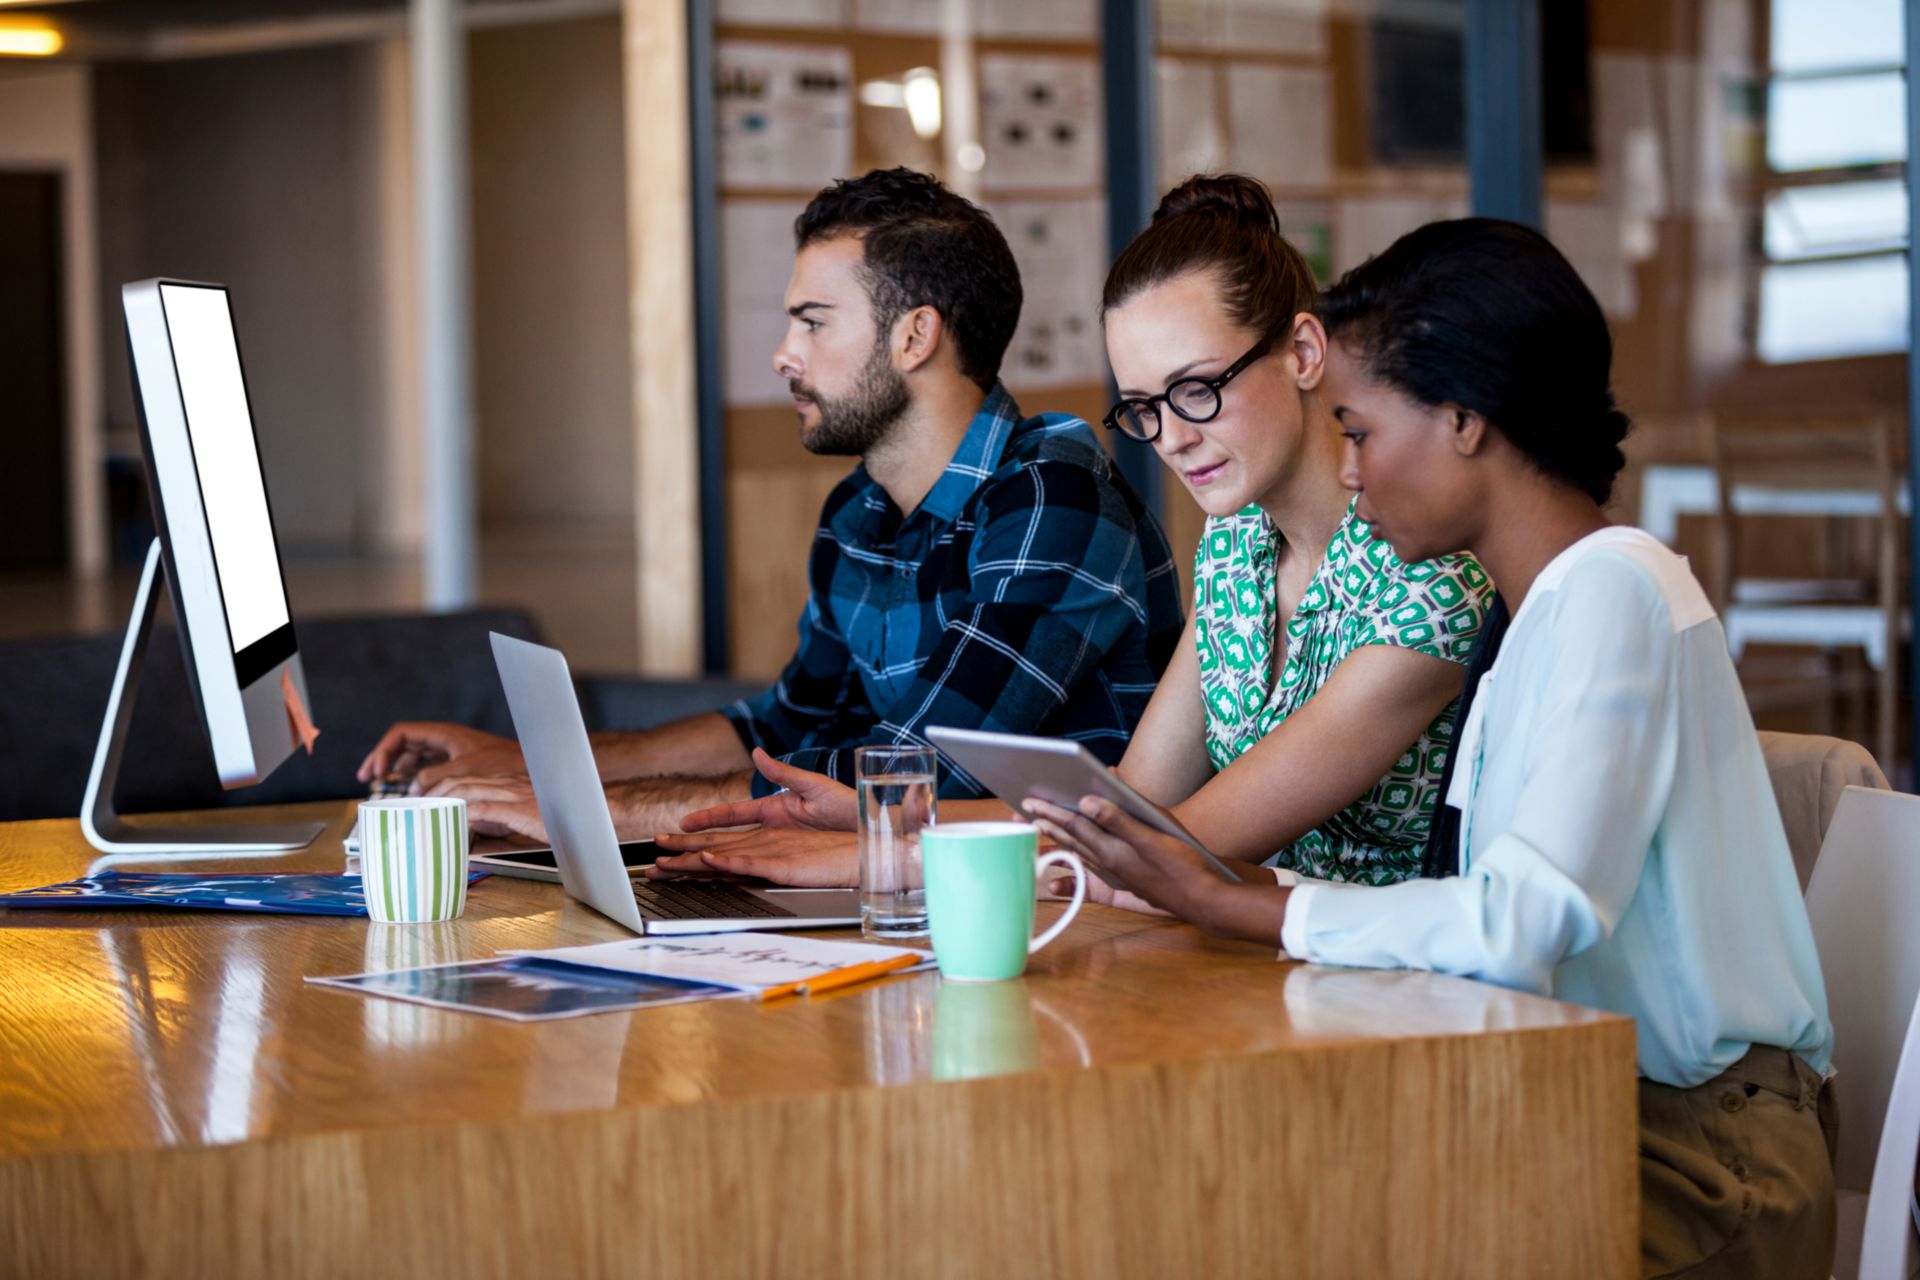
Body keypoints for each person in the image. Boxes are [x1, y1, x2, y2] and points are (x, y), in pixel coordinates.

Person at [1026, 217, 1836, 1279]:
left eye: (1359, 431)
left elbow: (1525, 914)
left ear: (1463, 419)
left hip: (1700, 1148)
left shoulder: (1618, 585)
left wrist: (1241, 902)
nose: (1350, 472)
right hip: (1574, 1095)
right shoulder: (1538, 614)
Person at [649, 175, 1493, 891]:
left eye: (1197, 390)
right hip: (1256, 958)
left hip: (1401, 994)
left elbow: (1181, 843)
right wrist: (895, 815)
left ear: (1304, 352)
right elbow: (1134, 802)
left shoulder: (1423, 574)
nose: (1171, 437)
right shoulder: (1236, 547)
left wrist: (876, 854)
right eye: (1144, 408)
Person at [356, 168, 1183, 840]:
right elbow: (782, 727)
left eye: (813, 323)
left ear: (915, 337)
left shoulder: (1052, 492)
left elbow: (910, 774)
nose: (783, 354)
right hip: (910, 905)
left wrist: (582, 812)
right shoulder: (858, 516)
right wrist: (531, 767)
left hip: (1074, 921)